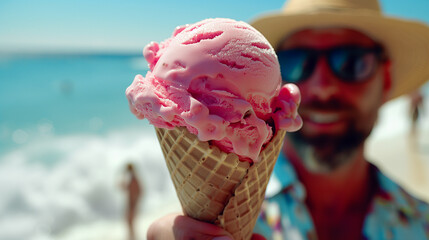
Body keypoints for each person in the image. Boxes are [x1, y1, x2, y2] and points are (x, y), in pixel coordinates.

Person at [147, 0, 429, 239]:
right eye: (297, 61)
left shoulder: (423, 225)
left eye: (351, 62)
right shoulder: (207, 222)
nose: (322, 87)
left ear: (387, 78)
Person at [121, 163, 143, 240]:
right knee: (130, 222)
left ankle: (132, 237)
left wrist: (135, 202)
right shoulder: (133, 178)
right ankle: (132, 237)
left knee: (130, 222)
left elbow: (139, 191)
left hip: (132, 203)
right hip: (132, 202)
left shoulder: (133, 179)